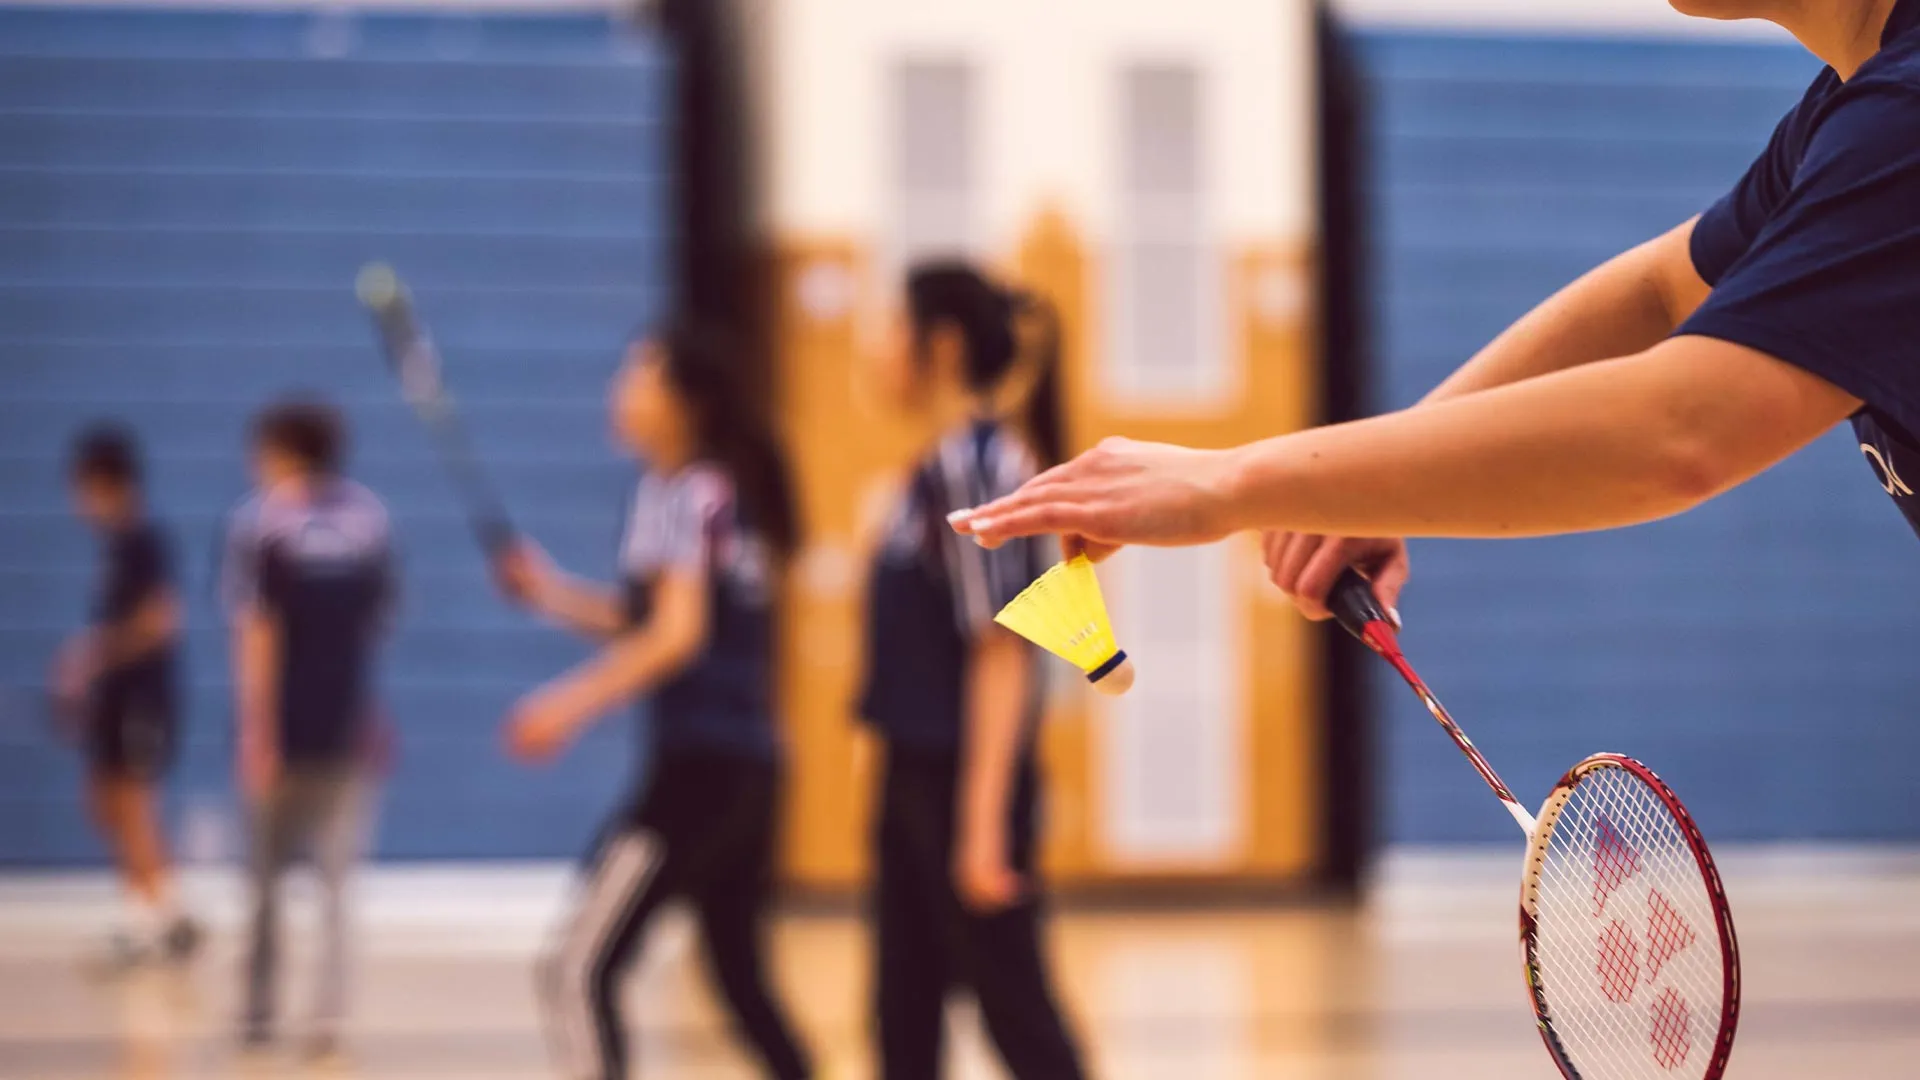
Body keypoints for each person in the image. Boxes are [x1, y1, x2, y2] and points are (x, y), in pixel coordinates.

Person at [955, 0, 1920, 621]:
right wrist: (1355, 485)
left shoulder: (1904, 116)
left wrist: (1228, 481)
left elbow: (1681, 430)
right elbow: (1659, 291)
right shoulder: (1847, 111)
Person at [494, 322, 814, 1080]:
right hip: (750, 769)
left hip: (700, 777)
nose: (619, 392)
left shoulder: (689, 492)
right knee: (741, 979)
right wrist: (550, 594)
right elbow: (651, 617)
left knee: (577, 967)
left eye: (637, 376)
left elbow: (676, 636)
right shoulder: (706, 491)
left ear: (683, 401)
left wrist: (565, 705)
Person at [857, 261, 1088, 1080]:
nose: (878, 347)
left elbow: (1002, 648)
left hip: (961, 778)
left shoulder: (980, 465)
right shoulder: (936, 465)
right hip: (915, 774)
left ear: (943, 345)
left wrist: (982, 822)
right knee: (903, 1017)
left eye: (894, 326)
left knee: (1017, 1015)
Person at [226, 399, 395, 1062]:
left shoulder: (262, 523)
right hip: (345, 727)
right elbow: (372, 631)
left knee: (264, 884)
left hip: (288, 732)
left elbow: (256, 631)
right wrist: (373, 714)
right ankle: (326, 1020)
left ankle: (258, 1013)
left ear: (282, 451)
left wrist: (256, 729)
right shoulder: (369, 520)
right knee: (335, 888)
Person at [56, 424, 202, 972]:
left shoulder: (144, 541)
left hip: (144, 698)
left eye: (82, 488)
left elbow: (161, 620)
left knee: (135, 802)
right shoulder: (115, 547)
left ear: (104, 483)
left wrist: (93, 654)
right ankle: (166, 912)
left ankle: (148, 923)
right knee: (107, 801)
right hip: (116, 699)